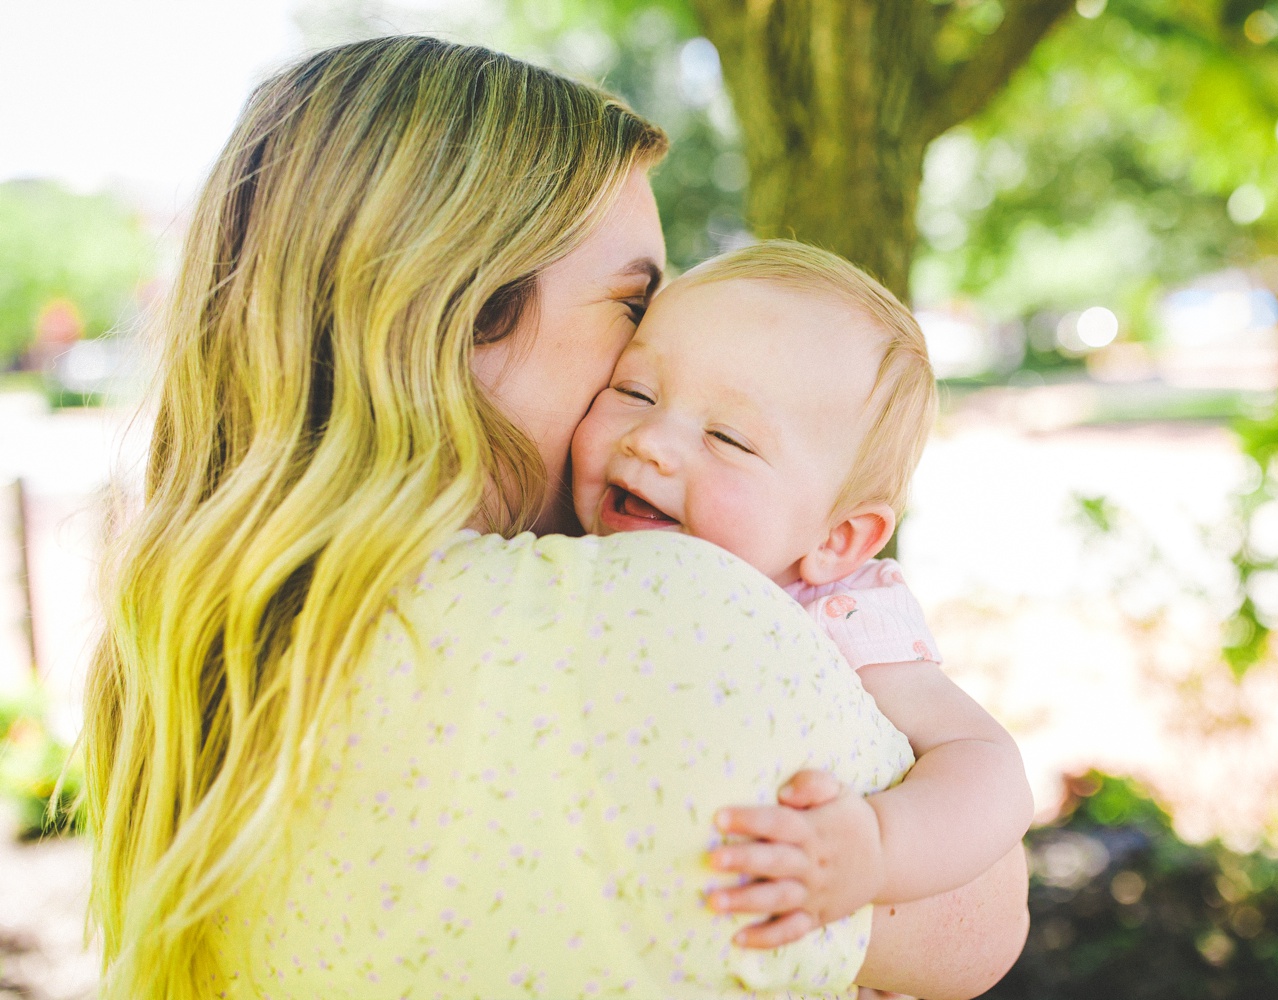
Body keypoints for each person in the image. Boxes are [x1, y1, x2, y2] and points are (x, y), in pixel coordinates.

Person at [79, 36, 1029, 1000]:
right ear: (465, 317)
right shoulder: (654, 616)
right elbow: (978, 925)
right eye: (635, 304)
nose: (662, 357)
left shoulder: (202, 632)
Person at [570, 240, 1035, 945]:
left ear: (836, 539)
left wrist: (877, 848)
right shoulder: (558, 559)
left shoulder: (837, 614)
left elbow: (990, 765)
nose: (651, 441)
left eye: (727, 437)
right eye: (635, 391)